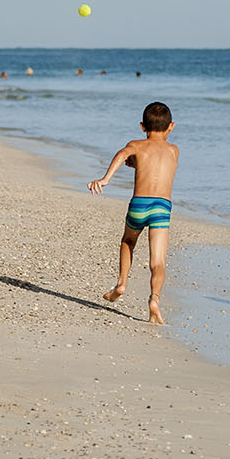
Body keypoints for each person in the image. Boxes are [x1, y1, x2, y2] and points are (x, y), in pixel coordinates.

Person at [87, 102, 179, 324]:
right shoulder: (174, 151)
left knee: (128, 241)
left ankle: (121, 284)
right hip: (161, 206)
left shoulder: (136, 145)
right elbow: (158, 167)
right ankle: (154, 300)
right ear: (171, 126)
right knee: (158, 262)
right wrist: (139, 164)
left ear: (141, 126)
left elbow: (122, 153)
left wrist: (106, 179)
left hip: (139, 204)